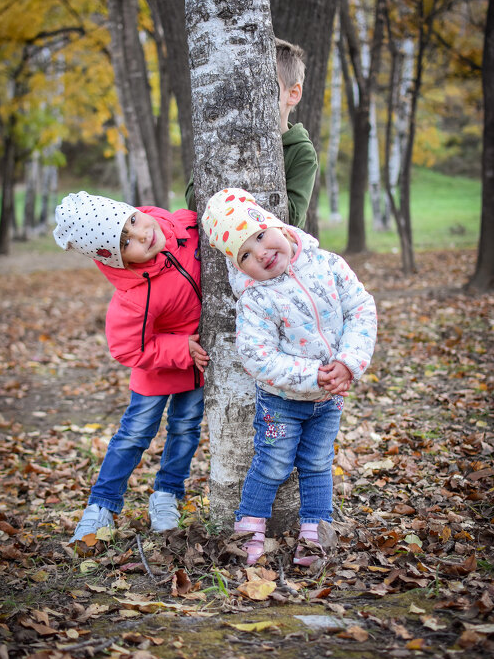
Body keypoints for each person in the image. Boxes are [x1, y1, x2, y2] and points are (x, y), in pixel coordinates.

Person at [201, 188, 377, 566]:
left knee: (317, 464)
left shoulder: (328, 265)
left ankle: (314, 536)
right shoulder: (256, 299)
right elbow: (257, 357)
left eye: (261, 235)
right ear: (237, 265)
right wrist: (316, 374)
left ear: (278, 226)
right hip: (281, 403)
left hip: (329, 398)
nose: (261, 252)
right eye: (245, 254)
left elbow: (361, 309)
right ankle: (248, 532)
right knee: (273, 464)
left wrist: (348, 363)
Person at [53, 192, 209, 542]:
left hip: (196, 366)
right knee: (135, 435)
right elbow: (126, 348)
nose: (142, 235)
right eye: (126, 242)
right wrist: (179, 348)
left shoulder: (183, 228)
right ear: (116, 259)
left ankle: (167, 493)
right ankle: (101, 506)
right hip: (157, 370)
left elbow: (191, 217)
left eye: (134, 222)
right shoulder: (134, 294)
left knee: (185, 429)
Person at [185, 38, 317, 229]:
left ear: (293, 93)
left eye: (264, 86)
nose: (251, 97)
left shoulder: (301, 151)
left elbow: (290, 219)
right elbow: (193, 203)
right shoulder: (220, 139)